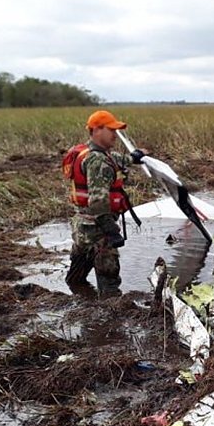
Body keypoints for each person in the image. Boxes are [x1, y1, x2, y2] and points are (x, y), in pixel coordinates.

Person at [64, 110, 145, 295]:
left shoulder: (91, 153)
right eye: (111, 130)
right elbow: (99, 201)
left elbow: (119, 159)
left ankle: (79, 300)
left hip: (82, 228)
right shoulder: (98, 162)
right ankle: (108, 320)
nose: (115, 135)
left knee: (75, 279)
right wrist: (111, 231)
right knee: (110, 289)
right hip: (98, 231)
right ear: (97, 130)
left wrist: (135, 158)